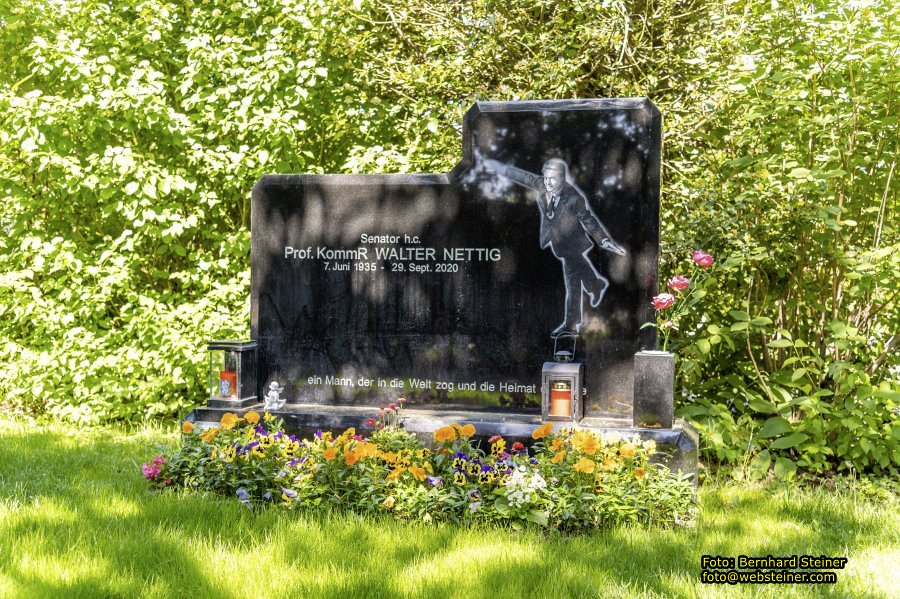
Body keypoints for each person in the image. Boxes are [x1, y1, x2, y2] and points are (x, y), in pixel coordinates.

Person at [483, 157, 626, 337]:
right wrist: (500, 168)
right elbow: (523, 177)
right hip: (559, 243)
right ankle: (595, 285)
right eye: (546, 178)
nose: (548, 183)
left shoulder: (574, 197)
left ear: (562, 178)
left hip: (573, 243)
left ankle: (571, 324)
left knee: (572, 281)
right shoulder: (542, 184)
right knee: (577, 270)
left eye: (553, 179)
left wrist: (604, 240)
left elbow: (588, 219)